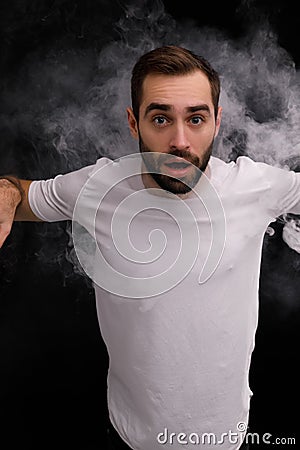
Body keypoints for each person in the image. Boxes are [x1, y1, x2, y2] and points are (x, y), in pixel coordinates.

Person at [0, 45, 299, 450]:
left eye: (196, 118)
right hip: (129, 437)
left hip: (227, 435)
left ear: (217, 122)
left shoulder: (254, 186)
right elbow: (20, 194)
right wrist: (6, 194)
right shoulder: (99, 189)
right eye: (160, 118)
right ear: (133, 122)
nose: (179, 141)